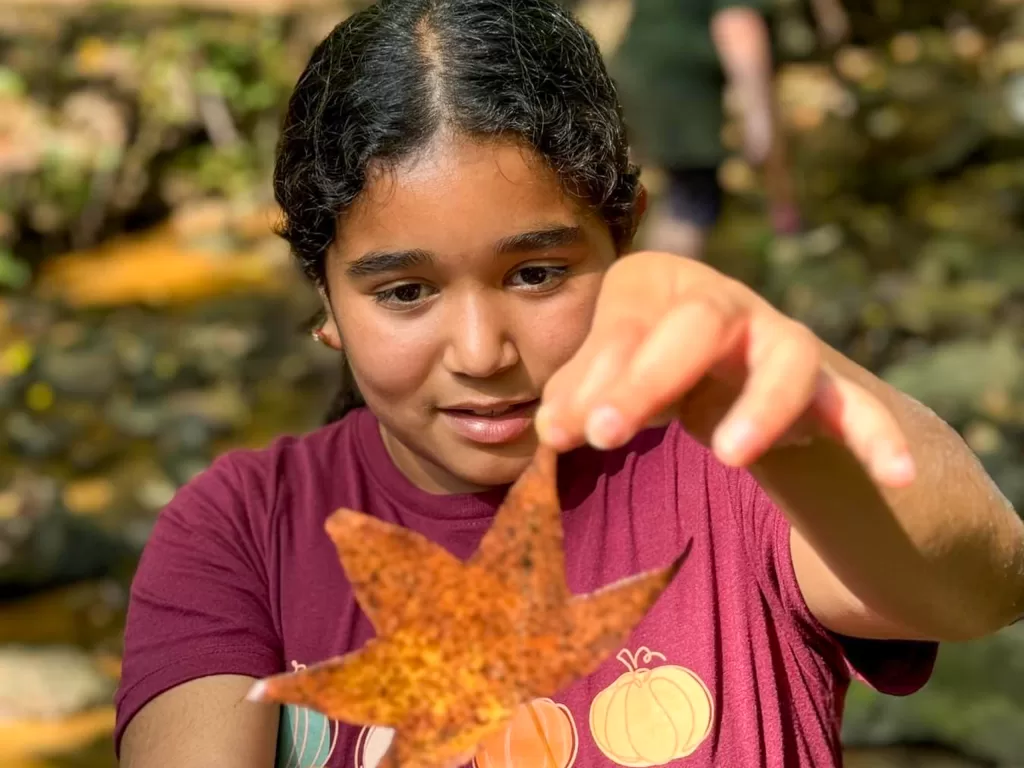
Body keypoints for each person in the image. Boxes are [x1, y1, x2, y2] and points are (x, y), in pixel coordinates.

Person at [115, 2, 1024, 767]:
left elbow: (981, 586)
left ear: (623, 235)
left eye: (536, 274)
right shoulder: (238, 531)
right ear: (325, 297)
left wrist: (798, 388)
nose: (479, 351)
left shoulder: (734, 466)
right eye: (405, 292)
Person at [611, 0, 800, 257]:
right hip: (679, 90)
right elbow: (739, 30)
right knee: (693, 199)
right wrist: (759, 116)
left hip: (630, 76)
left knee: (675, 195)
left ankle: (644, 285)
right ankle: (665, 294)